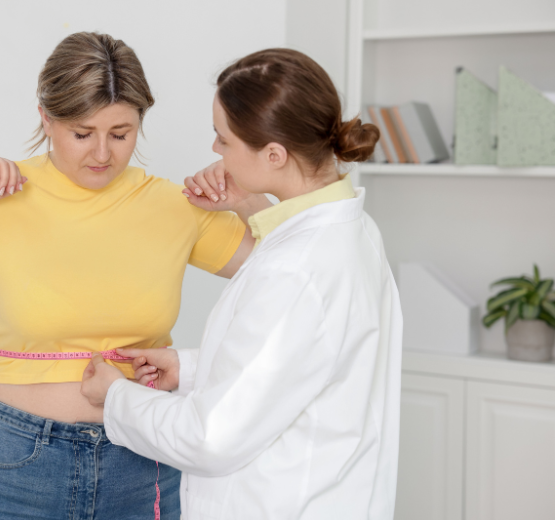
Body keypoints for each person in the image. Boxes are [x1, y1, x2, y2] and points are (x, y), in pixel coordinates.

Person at [0, 32, 272, 520]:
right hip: (13, 462)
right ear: (46, 118)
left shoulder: (176, 206)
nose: (102, 153)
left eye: (120, 133)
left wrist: (249, 202)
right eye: (82, 133)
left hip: (141, 458)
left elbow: (288, 278)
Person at [81, 48, 404, 520]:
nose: (215, 149)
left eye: (223, 138)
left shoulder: (296, 271)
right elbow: (299, 361)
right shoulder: (353, 230)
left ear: (274, 154)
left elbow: (210, 437)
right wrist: (190, 369)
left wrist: (116, 397)